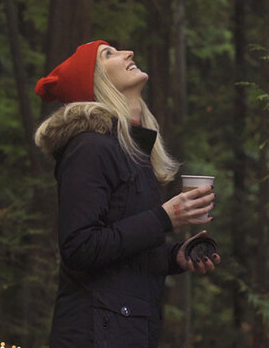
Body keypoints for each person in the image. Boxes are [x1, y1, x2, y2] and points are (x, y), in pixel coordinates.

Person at [34, 41, 221, 347]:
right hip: (92, 333)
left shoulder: (131, 153)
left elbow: (119, 253)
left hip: (125, 330)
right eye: (108, 54)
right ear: (95, 82)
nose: (128, 53)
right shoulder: (90, 147)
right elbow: (79, 248)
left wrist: (174, 256)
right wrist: (164, 217)